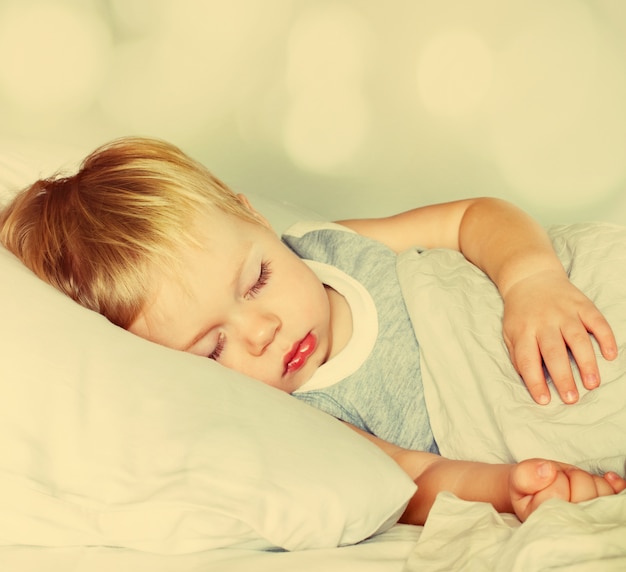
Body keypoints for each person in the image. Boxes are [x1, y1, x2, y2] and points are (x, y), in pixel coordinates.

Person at [0, 136, 624, 526]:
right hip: (547, 403)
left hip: (572, 295)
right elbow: (413, 479)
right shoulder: (304, 416)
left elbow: (472, 218)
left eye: (257, 279)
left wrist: (531, 280)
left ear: (254, 218)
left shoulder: (333, 247)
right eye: (214, 346)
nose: (264, 329)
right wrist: (509, 490)